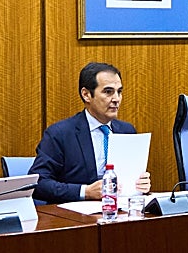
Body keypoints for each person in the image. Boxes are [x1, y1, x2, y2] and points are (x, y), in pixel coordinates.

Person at [30, 62, 152, 204]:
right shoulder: (60, 134)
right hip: (77, 217)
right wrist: (85, 192)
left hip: (121, 213)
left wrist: (141, 184)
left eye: (119, 92)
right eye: (108, 92)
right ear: (86, 95)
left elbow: (131, 178)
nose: (116, 99)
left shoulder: (127, 131)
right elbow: (39, 183)